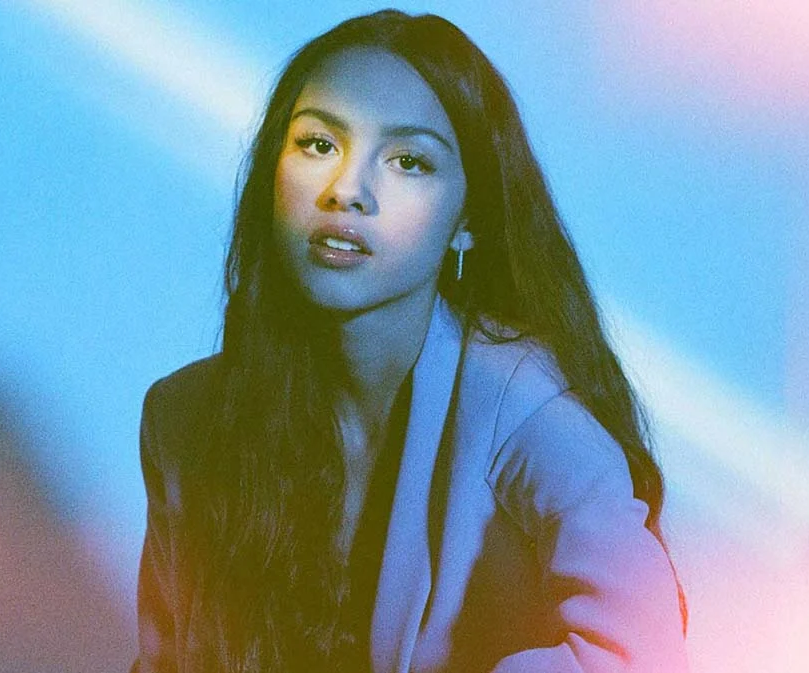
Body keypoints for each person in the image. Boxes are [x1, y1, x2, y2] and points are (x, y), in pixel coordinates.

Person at [133, 9, 688, 673]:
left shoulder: (522, 410)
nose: (347, 191)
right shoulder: (185, 418)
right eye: (318, 144)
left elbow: (644, 653)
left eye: (408, 161)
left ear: (468, 221)